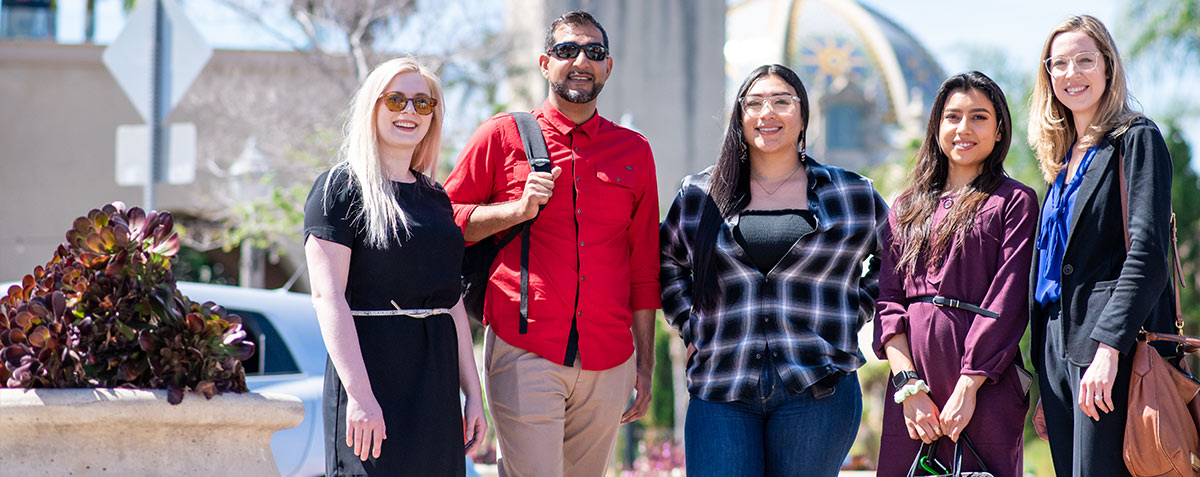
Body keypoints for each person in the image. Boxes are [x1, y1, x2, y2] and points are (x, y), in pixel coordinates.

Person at [443, 11, 660, 477]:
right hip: (526, 348)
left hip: (609, 357)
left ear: (608, 67)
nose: (580, 60)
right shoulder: (500, 136)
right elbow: (445, 222)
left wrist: (646, 364)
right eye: (566, 51)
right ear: (545, 63)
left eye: (594, 53)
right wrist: (514, 212)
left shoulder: (635, 151)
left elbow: (643, 266)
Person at [660, 64, 887, 477]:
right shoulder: (699, 195)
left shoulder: (853, 194)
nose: (768, 112)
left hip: (819, 386)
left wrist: (856, 311)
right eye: (755, 103)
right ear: (740, 118)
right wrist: (691, 326)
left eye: (782, 101)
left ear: (803, 115)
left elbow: (898, 259)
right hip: (721, 384)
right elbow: (667, 262)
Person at [303, 58, 486, 476]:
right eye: (396, 99)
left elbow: (451, 303)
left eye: (422, 104)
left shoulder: (436, 197)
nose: (409, 112)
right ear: (373, 106)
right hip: (372, 379)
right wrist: (360, 397)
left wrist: (472, 394)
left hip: (436, 384)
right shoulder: (338, 190)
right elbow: (327, 297)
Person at [1028, 15, 1175, 477]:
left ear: (1108, 67)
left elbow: (1148, 253)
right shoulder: (1061, 157)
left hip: (1107, 340)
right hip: (1055, 341)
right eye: (1060, 64)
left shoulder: (1136, 138)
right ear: (1048, 76)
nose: (1072, 74)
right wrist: (1047, 375)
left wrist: (1109, 348)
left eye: (1085, 61)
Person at [872, 71, 1037, 476]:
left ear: (999, 130)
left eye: (979, 117)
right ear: (937, 127)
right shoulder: (907, 207)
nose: (964, 128)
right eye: (953, 117)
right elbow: (888, 301)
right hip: (913, 392)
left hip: (986, 386)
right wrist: (908, 387)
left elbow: (1009, 299)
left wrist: (969, 385)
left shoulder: (1014, 201)